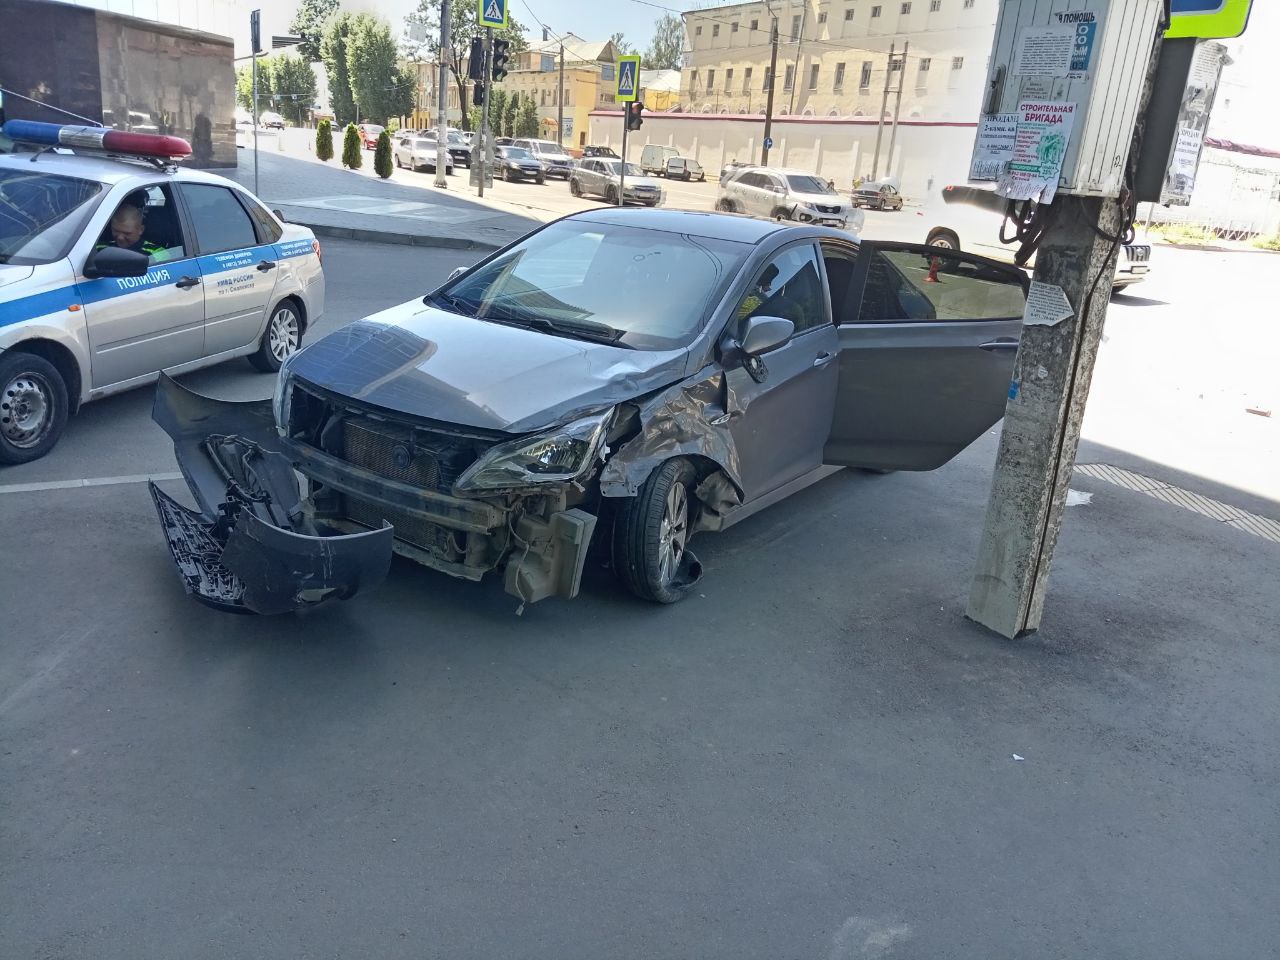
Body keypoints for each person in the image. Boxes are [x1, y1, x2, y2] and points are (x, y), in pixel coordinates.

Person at [97, 204, 166, 260]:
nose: (120, 237)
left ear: (141, 230)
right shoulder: (100, 248)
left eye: (127, 233)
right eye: (116, 231)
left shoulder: (157, 254)